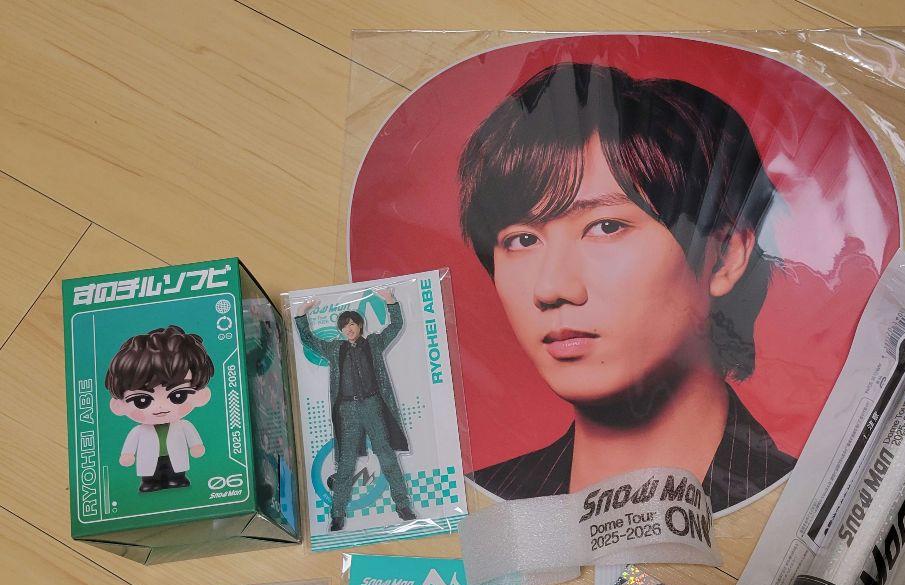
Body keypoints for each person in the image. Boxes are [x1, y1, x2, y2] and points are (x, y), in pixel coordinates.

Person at [458, 63, 796, 513]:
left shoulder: (798, 506)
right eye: (522, 240)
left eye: (606, 226)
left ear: (726, 255)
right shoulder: (473, 507)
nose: (552, 287)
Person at [294, 287, 416, 529]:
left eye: (352, 324)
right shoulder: (334, 349)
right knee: (346, 463)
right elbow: (308, 340)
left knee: (387, 456)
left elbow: (396, 326)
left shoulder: (374, 343)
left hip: (373, 406)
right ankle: (337, 513)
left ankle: (403, 505)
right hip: (347, 411)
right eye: (344, 326)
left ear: (360, 325)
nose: (349, 328)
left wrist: (390, 300)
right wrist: (301, 313)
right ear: (341, 329)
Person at [104, 325, 214, 492]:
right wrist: (127, 455)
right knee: (150, 474)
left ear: (201, 395)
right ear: (119, 406)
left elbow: (192, 437)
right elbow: (131, 444)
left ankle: (177, 479)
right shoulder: (139, 431)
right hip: (149, 459)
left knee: (176, 471)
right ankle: (150, 482)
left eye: (178, 396)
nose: (160, 406)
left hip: (175, 457)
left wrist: (195, 446)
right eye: (142, 400)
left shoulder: (183, 426)